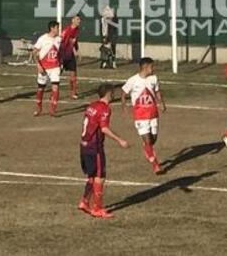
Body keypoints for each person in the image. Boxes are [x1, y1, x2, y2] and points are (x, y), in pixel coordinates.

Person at [78, 84, 130, 219]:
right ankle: (97, 208)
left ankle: (84, 202)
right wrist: (120, 140)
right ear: (108, 94)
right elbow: (104, 128)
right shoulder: (105, 108)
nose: (114, 95)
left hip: (84, 145)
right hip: (94, 147)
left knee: (92, 175)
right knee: (99, 177)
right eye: (112, 93)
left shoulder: (91, 106)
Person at [121, 57, 166, 175]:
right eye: (152, 66)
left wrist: (161, 103)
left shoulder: (154, 78)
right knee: (148, 141)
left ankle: (147, 148)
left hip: (153, 113)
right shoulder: (133, 80)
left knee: (153, 139)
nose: (153, 69)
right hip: (140, 115)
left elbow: (157, 91)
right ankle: (156, 165)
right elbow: (123, 93)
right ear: (145, 67)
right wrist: (124, 106)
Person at [32, 21, 61, 117]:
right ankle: (38, 108)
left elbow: (60, 53)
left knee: (55, 87)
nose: (58, 29)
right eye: (57, 28)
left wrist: (61, 63)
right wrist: (38, 65)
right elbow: (34, 52)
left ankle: (53, 110)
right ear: (52, 28)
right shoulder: (43, 39)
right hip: (44, 67)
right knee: (41, 88)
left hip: (55, 67)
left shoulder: (59, 39)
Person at [60, 16, 81, 100]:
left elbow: (75, 41)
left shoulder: (77, 30)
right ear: (72, 20)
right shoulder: (67, 30)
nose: (79, 21)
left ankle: (73, 93)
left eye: (79, 19)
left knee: (73, 75)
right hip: (63, 55)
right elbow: (60, 41)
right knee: (56, 75)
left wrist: (77, 51)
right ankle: (53, 93)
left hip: (70, 55)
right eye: (77, 19)